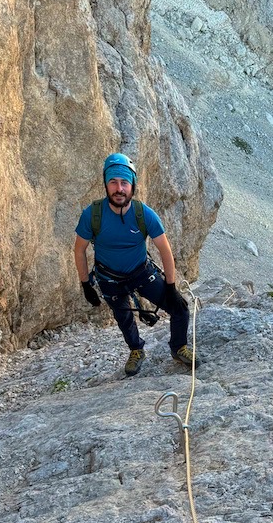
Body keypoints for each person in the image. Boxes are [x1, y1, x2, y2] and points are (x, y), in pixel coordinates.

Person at [74, 153, 198, 376]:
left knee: (180, 308)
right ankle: (136, 349)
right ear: (105, 184)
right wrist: (85, 284)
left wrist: (170, 287)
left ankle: (178, 347)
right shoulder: (92, 215)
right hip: (109, 278)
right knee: (123, 318)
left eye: (124, 183)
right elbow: (79, 249)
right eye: (113, 182)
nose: (119, 188)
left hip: (141, 272)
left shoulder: (144, 214)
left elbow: (165, 250)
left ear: (132, 186)